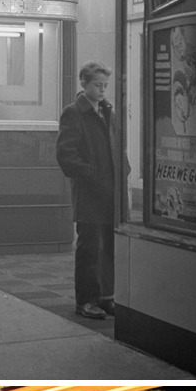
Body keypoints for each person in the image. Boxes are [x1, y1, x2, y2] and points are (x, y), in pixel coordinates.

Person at [56, 61, 127, 320]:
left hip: (111, 190)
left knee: (110, 247)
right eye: (98, 85)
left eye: (106, 86)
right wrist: (91, 174)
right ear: (84, 84)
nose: (102, 90)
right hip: (90, 191)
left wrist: (124, 171)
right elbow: (66, 155)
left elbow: (118, 146)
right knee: (89, 249)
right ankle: (86, 300)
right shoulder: (73, 113)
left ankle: (106, 298)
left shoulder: (108, 111)